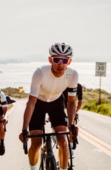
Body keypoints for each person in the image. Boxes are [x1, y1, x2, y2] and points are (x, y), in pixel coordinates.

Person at [19, 42, 78, 170]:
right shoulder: (40, 72)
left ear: (69, 62)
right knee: (36, 143)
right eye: (57, 60)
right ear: (50, 60)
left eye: (65, 60)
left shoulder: (73, 75)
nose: (60, 64)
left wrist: (71, 124)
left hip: (56, 102)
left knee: (63, 141)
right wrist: (24, 129)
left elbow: (72, 102)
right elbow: (31, 102)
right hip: (38, 104)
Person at [63, 83, 83, 158]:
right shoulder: (60, 83)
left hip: (71, 110)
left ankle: (70, 148)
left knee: (71, 129)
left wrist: (75, 112)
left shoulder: (78, 86)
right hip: (59, 109)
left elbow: (80, 102)